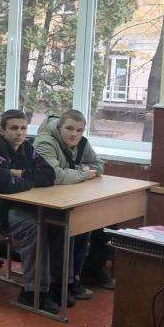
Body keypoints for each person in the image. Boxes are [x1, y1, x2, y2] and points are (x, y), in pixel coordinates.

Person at [33, 110, 110, 307]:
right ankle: (60, 284)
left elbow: (99, 165)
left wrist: (79, 172)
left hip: (70, 198)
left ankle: (83, 273)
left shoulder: (82, 142)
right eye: (69, 128)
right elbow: (55, 175)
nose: (74, 134)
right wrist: (83, 173)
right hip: (42, 202)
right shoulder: (45, 142)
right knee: (67, 227)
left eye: (79, 130)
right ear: (59, 127)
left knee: (102, 220)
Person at [0, 110, 57, 312]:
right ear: (2, 130)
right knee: (33, 226)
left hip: (23, 204)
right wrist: (25, 179)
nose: (19, 133)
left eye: (23, 128)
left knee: (56, 222)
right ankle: (32, 292)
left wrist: (19, 175)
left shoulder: (27, 147)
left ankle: (58, 284)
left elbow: (49, 175)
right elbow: (4, 184)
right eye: (13, 128)